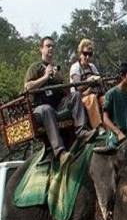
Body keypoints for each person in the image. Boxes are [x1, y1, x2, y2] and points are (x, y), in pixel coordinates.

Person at [23, 36, 95, 164]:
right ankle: (60, 152)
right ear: (41, 49)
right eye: (47, 46)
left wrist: (60, 79)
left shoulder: (55, 69)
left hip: (57, 106)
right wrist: (45, 77)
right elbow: (27, 87)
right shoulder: (34, 67)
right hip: (39, 109)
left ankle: (82, 131)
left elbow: (66, 92)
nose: (50, 48)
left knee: (76, 95)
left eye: (52, 46)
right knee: (47, 109)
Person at [100, 62, 127, 150]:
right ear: (122, 76)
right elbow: (105, 118)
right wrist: (118, 133)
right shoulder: (111, 94)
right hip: (115, 138)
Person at [69, 38, 102, 129]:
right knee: (91, 98)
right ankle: (98, 127)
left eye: (90, 54)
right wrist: (90, 82)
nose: (87, 57)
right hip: (79, 99)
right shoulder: (75, 67)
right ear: (80, 53)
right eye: (85, 54)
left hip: (94, 93)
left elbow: (99, 81)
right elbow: (78, 87)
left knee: (106, 98)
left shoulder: (92, 67)